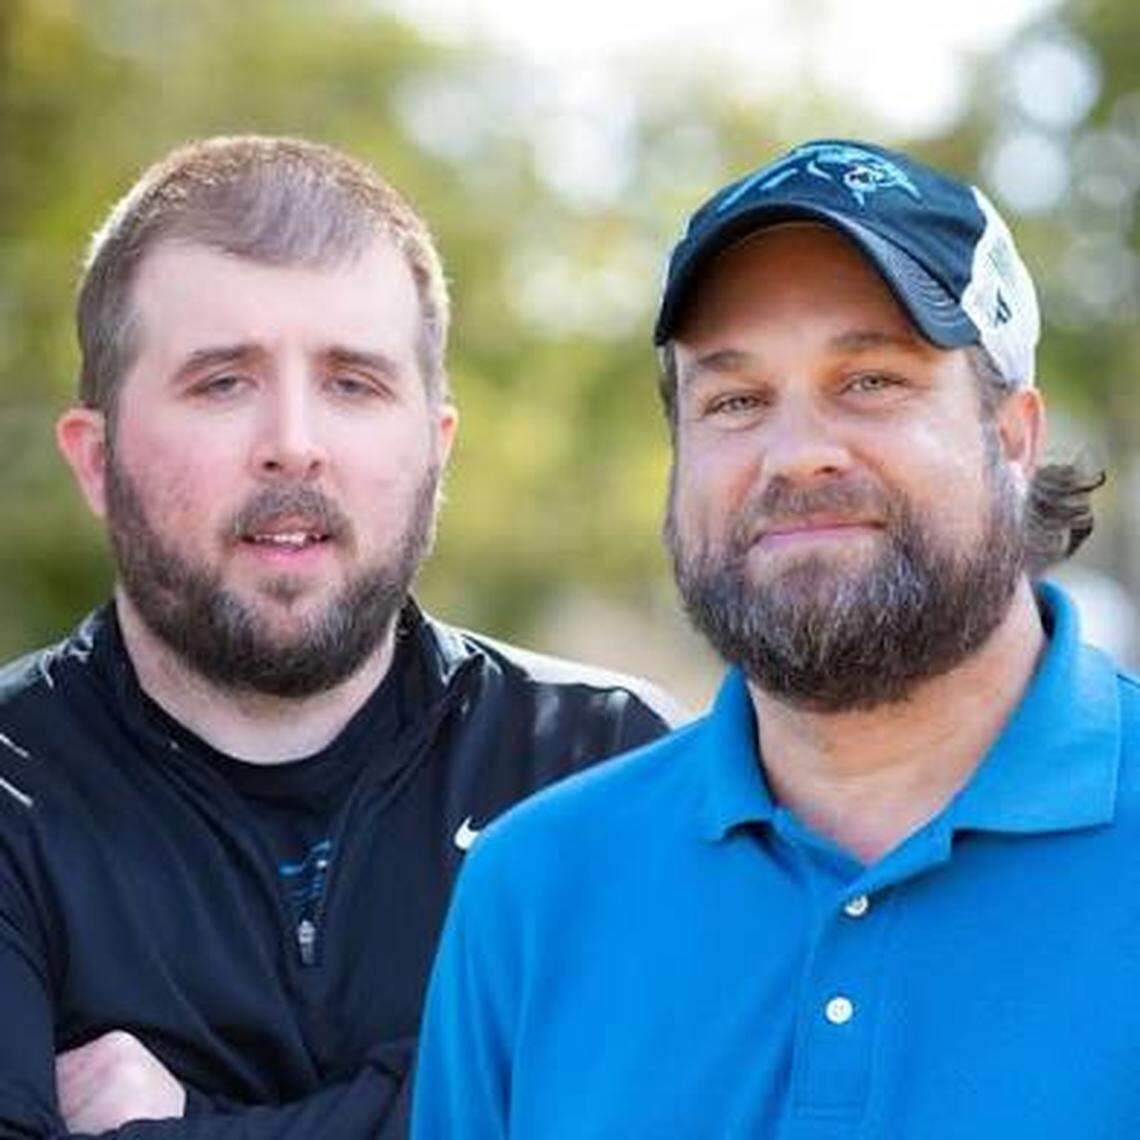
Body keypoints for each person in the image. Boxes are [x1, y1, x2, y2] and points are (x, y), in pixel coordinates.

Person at [412, 139, 1136, 1138]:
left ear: (1011, 434)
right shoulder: (533, 893)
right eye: (736, 399)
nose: (796, 455)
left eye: (871, 380)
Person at [0, 135, 679, 1139]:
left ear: (433, 449)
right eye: (222, 380)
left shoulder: (604, 769)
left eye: (353, 382)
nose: (295, 442)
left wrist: (187, 1124)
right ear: (96, 461)